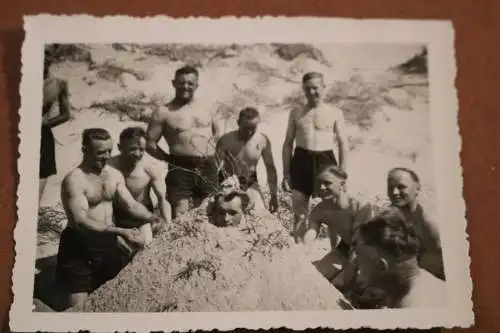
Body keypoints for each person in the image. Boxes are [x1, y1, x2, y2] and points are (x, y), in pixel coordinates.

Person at [56, 128, 163, 308]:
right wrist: (121, 231)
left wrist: (154, 218)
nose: (106, 157)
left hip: (107, 246)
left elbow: (131, 205)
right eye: (100, 152)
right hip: (79, 246)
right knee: (77, 308)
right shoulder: (75, 180)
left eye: (108, 151)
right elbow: (80, 221)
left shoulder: (113, 175)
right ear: (85, 151)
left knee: (109, 299)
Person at [146, 65, 221, 219]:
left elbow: (217, 133)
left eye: (190, 83)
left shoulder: (208, 107)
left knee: (208, 211)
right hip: (180, 167)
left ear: (196, 85)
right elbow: (150, 143)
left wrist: (213, 155)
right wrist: (169, 159)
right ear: (174, 83)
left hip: (208, 165)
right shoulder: (163, 112)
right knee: (180, 214)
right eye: (181, 82)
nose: (185, 87)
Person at [281, 71, 348, 242]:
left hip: (325, 162)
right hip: (301, 160)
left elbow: (343, 144)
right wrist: (286, 173)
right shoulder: (296, 113)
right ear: (303, 89)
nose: (312, 92)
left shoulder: (334, 113)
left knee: (333, 213)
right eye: (307, 89)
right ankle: (298, 252)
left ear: (324, 88)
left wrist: (342, 174)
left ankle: (335, 253)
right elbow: (288, 143)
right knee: (299, 211)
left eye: (315, 88)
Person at [347, 207, 446, 309]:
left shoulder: (410, 307)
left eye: (358, 254)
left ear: (381, 265)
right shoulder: (424, 283)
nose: (354, 261)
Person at [303, 165, 373, 289]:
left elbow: (360, 244)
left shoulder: (360, 206)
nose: (322, 187)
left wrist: (348, 273)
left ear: (342, 185)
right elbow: (311, 231)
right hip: (346, 248)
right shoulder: (321, 209)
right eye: (320, 183)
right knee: (316, 275)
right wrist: (302, 253)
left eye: (327, 183)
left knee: (340, 284)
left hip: (370, 251)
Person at [109, 126, 172, 254]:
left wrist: (167, 224)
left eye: (141, 149)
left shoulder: (151, 166)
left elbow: (162, 199)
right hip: (114, 216)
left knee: (145, 250)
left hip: (141, 218)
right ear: (120, 147)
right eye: (132, 149)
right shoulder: (109, 166)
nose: (137, 154)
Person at [216, 107, 278, 212]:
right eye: (246, 128)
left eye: (253, 128)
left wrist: (274, 196)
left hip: (250, 182)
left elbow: (270, 168)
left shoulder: (262, 140)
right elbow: (215, 166)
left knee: (261, 215)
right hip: (227, 182)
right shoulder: (226, 140)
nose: (249, 132)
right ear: (238, 123)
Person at [387, 167, 445, 280]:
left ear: (417, 189)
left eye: (401, 187)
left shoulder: (429, 222)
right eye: (390, 187)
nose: (394, 192)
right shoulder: (391, 214)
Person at [39, 50, 71, 199]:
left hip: (42, 135)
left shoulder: (59, 84)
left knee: (40, 180)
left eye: (47, 58)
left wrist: (45, 124)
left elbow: (66, 114)